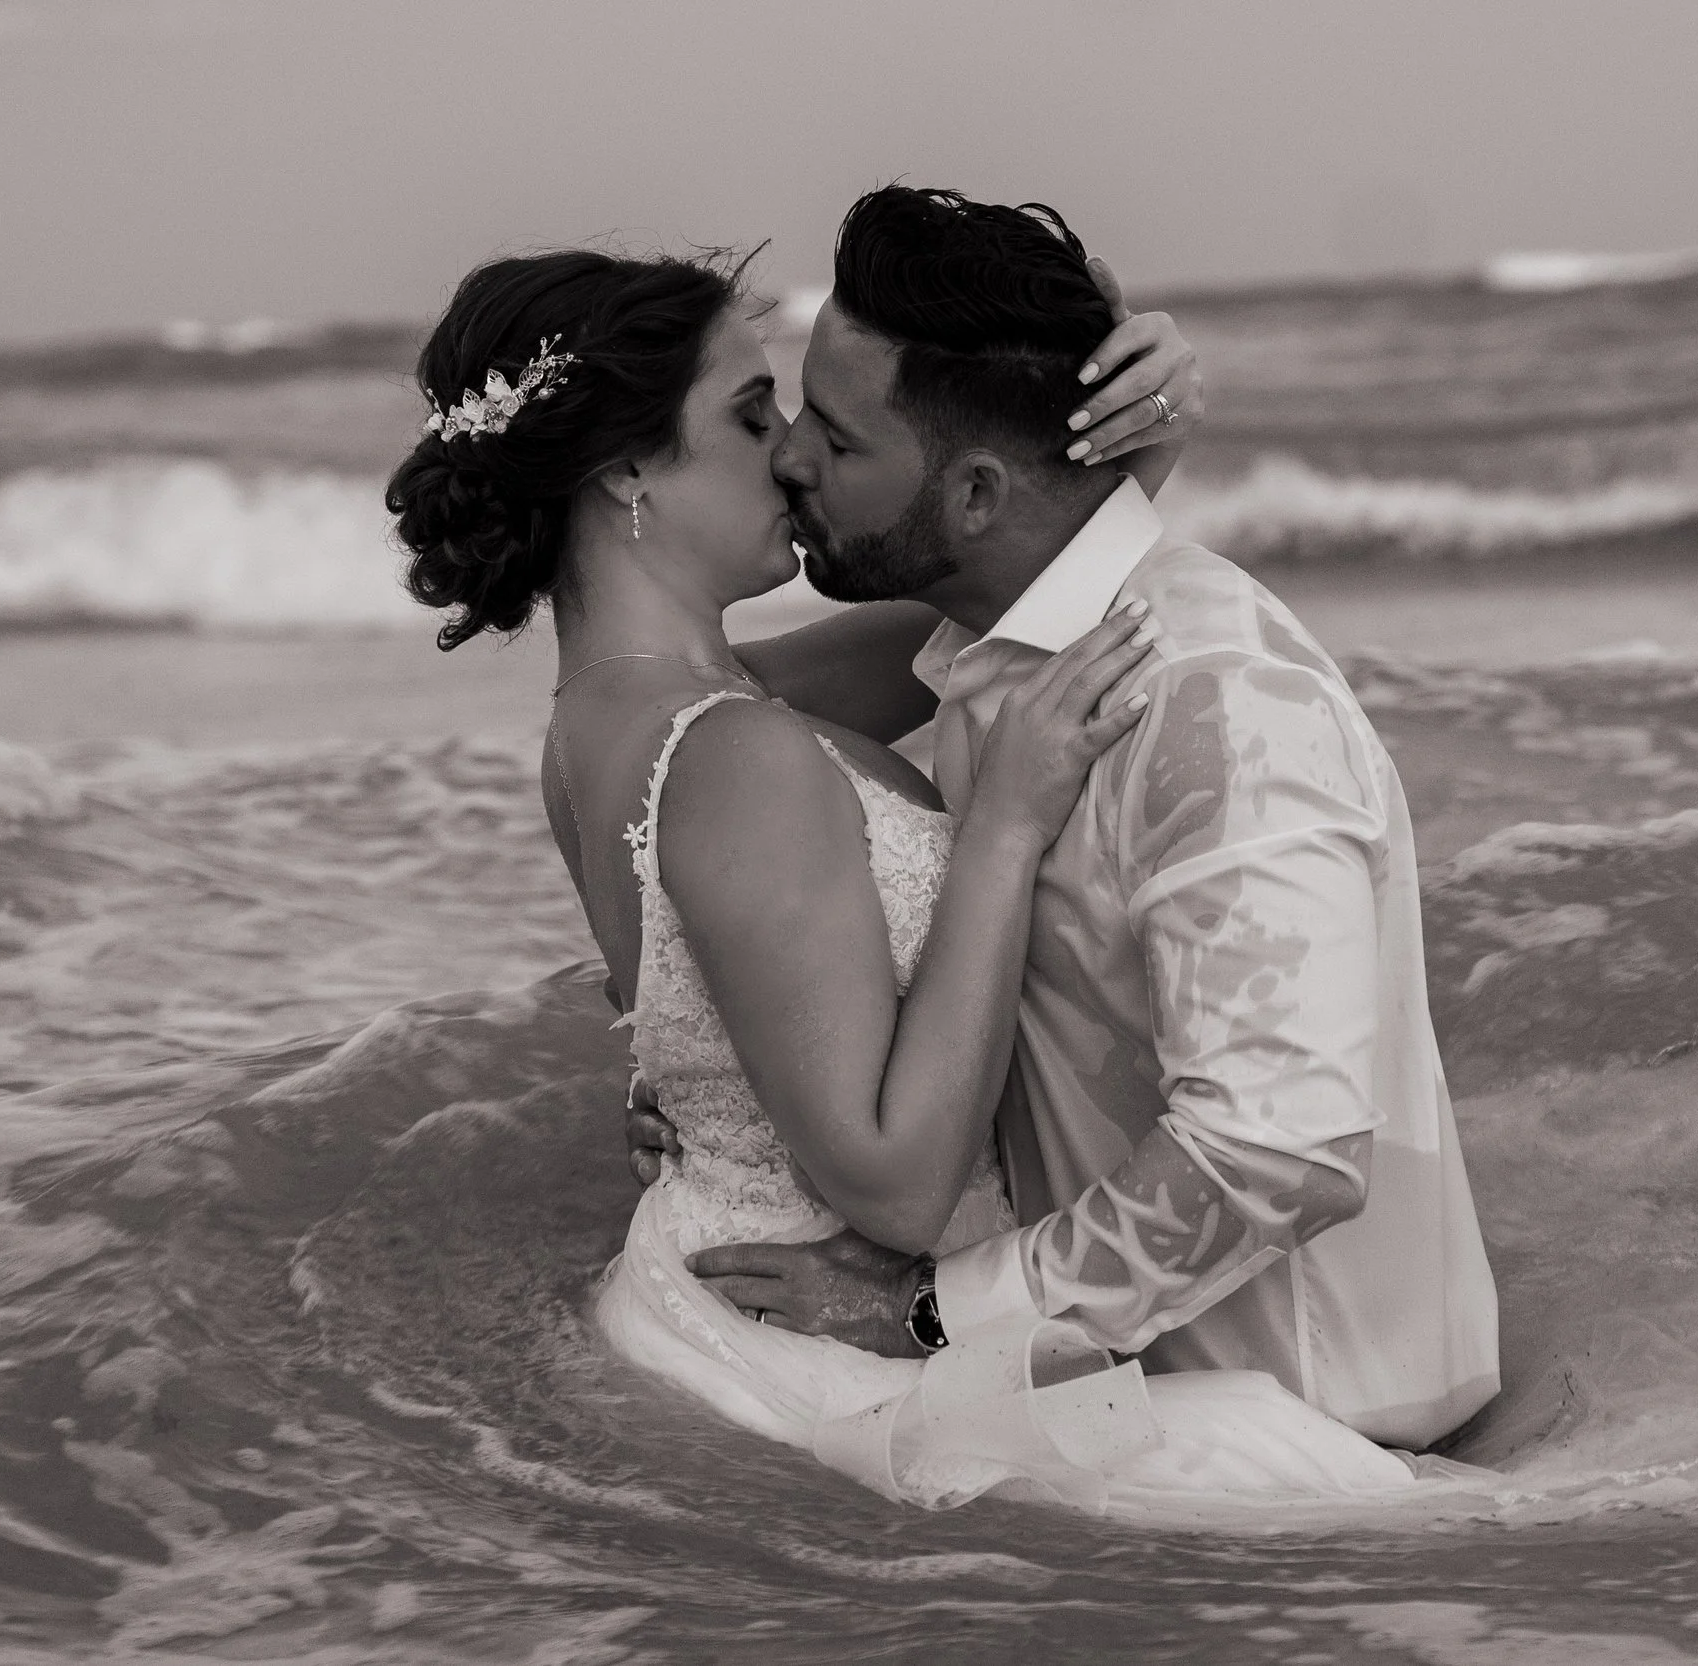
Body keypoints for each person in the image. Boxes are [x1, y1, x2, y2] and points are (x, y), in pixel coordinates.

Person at [390, 212, 1444, 1516]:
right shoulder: (737, 748)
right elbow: (891, 1179)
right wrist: (998, 828)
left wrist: (1104, 442)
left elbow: (998, 596)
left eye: (820, 428)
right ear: (625, 478)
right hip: (840, 1329)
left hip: (741, 1288)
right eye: (756, 415)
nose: (787, 458)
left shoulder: (630, 711)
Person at [640, 186, 1502, 1459]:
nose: (791, 459)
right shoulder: (994, 655)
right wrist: (713, 1068)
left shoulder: (1219, 707)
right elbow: (689, 722)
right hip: (1125, 1415)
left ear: (978, 495)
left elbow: (1278, 1149)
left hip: (1318, 1456)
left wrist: (930, 1313)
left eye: (836, 432)